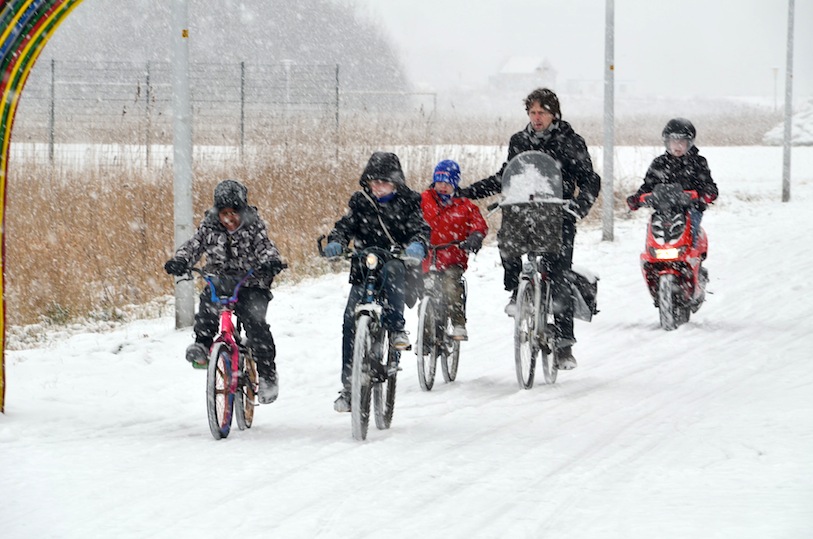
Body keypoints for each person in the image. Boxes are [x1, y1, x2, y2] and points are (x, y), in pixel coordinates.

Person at [457, 88, 600, 369]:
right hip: (523, 212)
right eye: (532, 112)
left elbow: (589, 180)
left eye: (542, 112)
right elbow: (505, 176)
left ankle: (564, 345)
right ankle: (516, 290)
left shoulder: (571, 141)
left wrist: (579, 205)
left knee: (558, 275)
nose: (536, 118)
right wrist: (467, 193)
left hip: (559, 214)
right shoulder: (519, 141)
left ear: (554, 114)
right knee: (507, 243)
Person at [323, 151, 430, 412]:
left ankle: (396, 329)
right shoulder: (361, 202)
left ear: (396, 183)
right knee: (350, 320)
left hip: (395, 262)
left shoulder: (409, 201)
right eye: (374, 182)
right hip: (364, 267)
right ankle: (349, 387)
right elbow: (344, 226)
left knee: (393, 271)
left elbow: (420, 228)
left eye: (385, 182)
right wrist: (336, 241)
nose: (379, 187)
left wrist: (416, 245)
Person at [163, 179, 285, 404]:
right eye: (224, 213)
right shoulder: (209, 227)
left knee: (256, 323)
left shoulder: (253, 226)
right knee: (208, 306)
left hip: (251, 282)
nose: (229, 219)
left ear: (242, 211)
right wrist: (181, 260)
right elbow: (194, 246)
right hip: (219, 280)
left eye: (234, 213)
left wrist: (271, 262)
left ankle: (267, 375)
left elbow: (265, 247)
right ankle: (202, 344)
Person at [420, 159, 488, 341]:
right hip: (428, 257)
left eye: (448, 183)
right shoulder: (423, 200)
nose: (443, 187)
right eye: (439, 182)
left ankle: (458, 323)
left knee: (451, 286)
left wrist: (475, 236)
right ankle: (425, 334)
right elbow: (411, 218)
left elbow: (478, 224)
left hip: (453, 258)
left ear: (455, 184)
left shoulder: (465, 206)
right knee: (426, 290)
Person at [626, 117, 718, 246]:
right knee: (654, 234)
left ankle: (691, 251)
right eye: (673, 142)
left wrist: (707, 194)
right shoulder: (659, 163)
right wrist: (636, 198)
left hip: (690, 209)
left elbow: (708, 184)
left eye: (681, 142)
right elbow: (648, 186)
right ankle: (651, 253)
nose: (677, 146)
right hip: (662, 210)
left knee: (690, 229)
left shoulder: (698, 162)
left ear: (689, 143)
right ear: (667, 143)